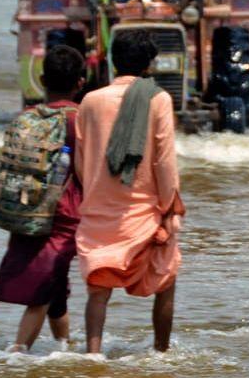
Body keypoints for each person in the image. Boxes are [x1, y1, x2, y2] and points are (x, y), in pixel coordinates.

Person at [74, 31, 184, 355]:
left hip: (98, 208)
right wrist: (169, 206)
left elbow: (82, 159)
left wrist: (95, 192)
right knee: (166, 282)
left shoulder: (90, 100)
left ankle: (93, 355)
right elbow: (164, 158)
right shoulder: (157, 98)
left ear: (112, 60)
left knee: (97, 291)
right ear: (150, 64)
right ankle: (161, 354)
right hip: (143, 209)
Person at [0, 45, 86, 352]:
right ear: (81, 83)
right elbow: (84, 170)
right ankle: (18, 352)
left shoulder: (26, 117)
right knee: (43, 288)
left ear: (42, 81)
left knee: (55, 287)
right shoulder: (78, 119)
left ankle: (64, 348)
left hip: (26, 206)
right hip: (64, 211)